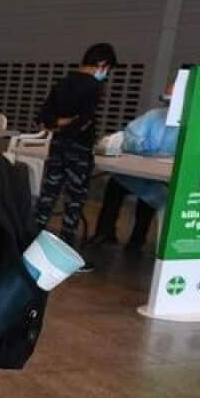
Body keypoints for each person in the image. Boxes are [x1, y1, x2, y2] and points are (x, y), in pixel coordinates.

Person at [34, 42, 117, 271]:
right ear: (102, 64)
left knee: (47, 197)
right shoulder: (94, 87)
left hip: (57, 146)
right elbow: (84, 121)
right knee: (74, 201)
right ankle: (66, 254)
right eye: (107, 69)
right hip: (79, 149)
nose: (106, 74)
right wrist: (70, 122)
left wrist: (58, 123)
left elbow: (43, 118)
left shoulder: (63, 82)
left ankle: (29, 245)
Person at [93, 80, 180, 252]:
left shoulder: (193, 122)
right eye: (166, 100)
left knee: (149, 197)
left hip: (161, 178)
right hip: (136, 172)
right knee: (115, 185)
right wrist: (140, 144)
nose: (168, 105)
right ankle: (104, 232)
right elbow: (130, 135)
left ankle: (137, 240)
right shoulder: (154, 116)